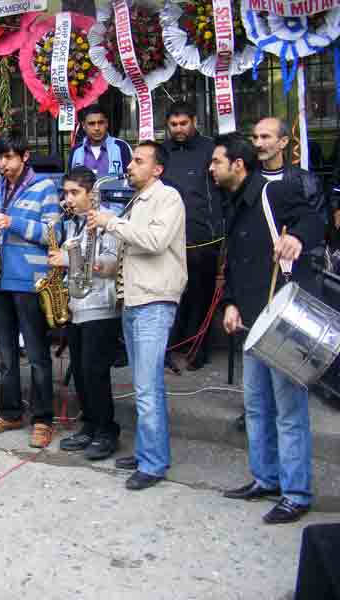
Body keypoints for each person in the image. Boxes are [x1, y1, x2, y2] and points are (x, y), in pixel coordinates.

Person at [211, 133, 323, 524]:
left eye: (217, 162)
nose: (211, 168)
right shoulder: (234, 203)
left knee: (289, 410)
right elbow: (238, 261)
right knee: (257, 406)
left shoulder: (271, 193)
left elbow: (313, 217)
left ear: (237, 166)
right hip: (253, 319)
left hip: (284, 319)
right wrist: (231, 303)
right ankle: (265, 478)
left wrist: (296, 236)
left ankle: (296, 492)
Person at [87, 141, 187, 490]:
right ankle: (148, 450)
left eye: (138, 161)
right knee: (145, 385)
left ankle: (154, 463)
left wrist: (111, 223)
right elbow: (135, 249)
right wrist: (103, 267)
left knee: (147, 387)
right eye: (131, 160)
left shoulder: (168, 198)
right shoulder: (137, 200)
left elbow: (156, 242)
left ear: (157, 169)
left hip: (154, 302)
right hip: (133, 299)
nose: (129, 165)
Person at [0, 133, 62, 449]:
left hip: (30, 280)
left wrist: (12, 222)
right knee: (7, 354)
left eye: (9, 158)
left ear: (25, 156)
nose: (3, 164)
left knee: (38, 356)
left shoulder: (45, 188)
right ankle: (10, 412)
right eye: (0, 158)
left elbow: (55, 232)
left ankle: (42, 420)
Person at [51, 167, 122, 460]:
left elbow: (109, 262)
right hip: (77, 305)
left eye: (74, 193)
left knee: (95, 372)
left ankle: (107, 430)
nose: (68, 199)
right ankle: (89, 424)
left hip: (100, 306)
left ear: (91, 194)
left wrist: (67, 259)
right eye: (65, 193)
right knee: (79, 370)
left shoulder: (109, 220)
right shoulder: (73, 223)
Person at [162, 102, 221, 371]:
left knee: (201, 294)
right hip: (168, 235)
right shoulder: (162, 152)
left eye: (183, 123)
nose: (178, 129)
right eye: (173, 125)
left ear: (194, 121)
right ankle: (168, 348)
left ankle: (198, 350)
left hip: (202, 235)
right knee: (170, 294)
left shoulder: (210, 149)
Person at [68, 104, 133, 177]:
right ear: (83, 126)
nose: (97, 128)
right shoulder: (76, 151)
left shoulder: (121, 147)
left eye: (100, 123)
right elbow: (71, 182)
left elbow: (130, 180)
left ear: (106, 123)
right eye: (91, 124)